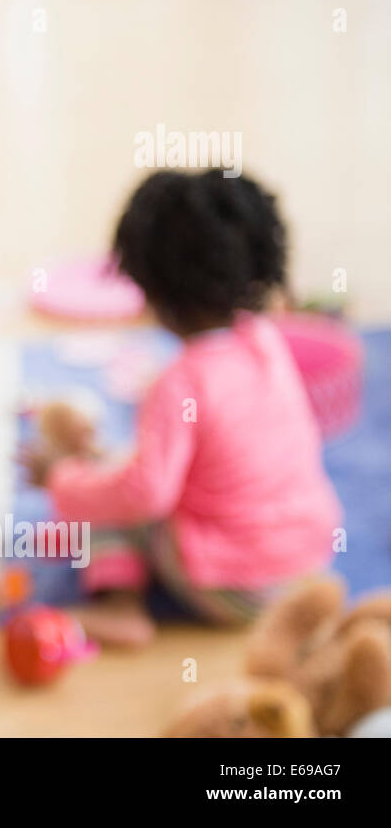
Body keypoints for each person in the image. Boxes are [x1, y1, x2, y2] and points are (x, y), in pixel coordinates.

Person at [22, 170, 342, 648]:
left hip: (236, 586)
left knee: (105, 493)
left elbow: (144, 495)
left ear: (148, 287)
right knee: (128, 468)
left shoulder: (180, 383)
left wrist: (61, 478)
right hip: (307, 559)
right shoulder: (265, 341)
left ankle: (120, 609)